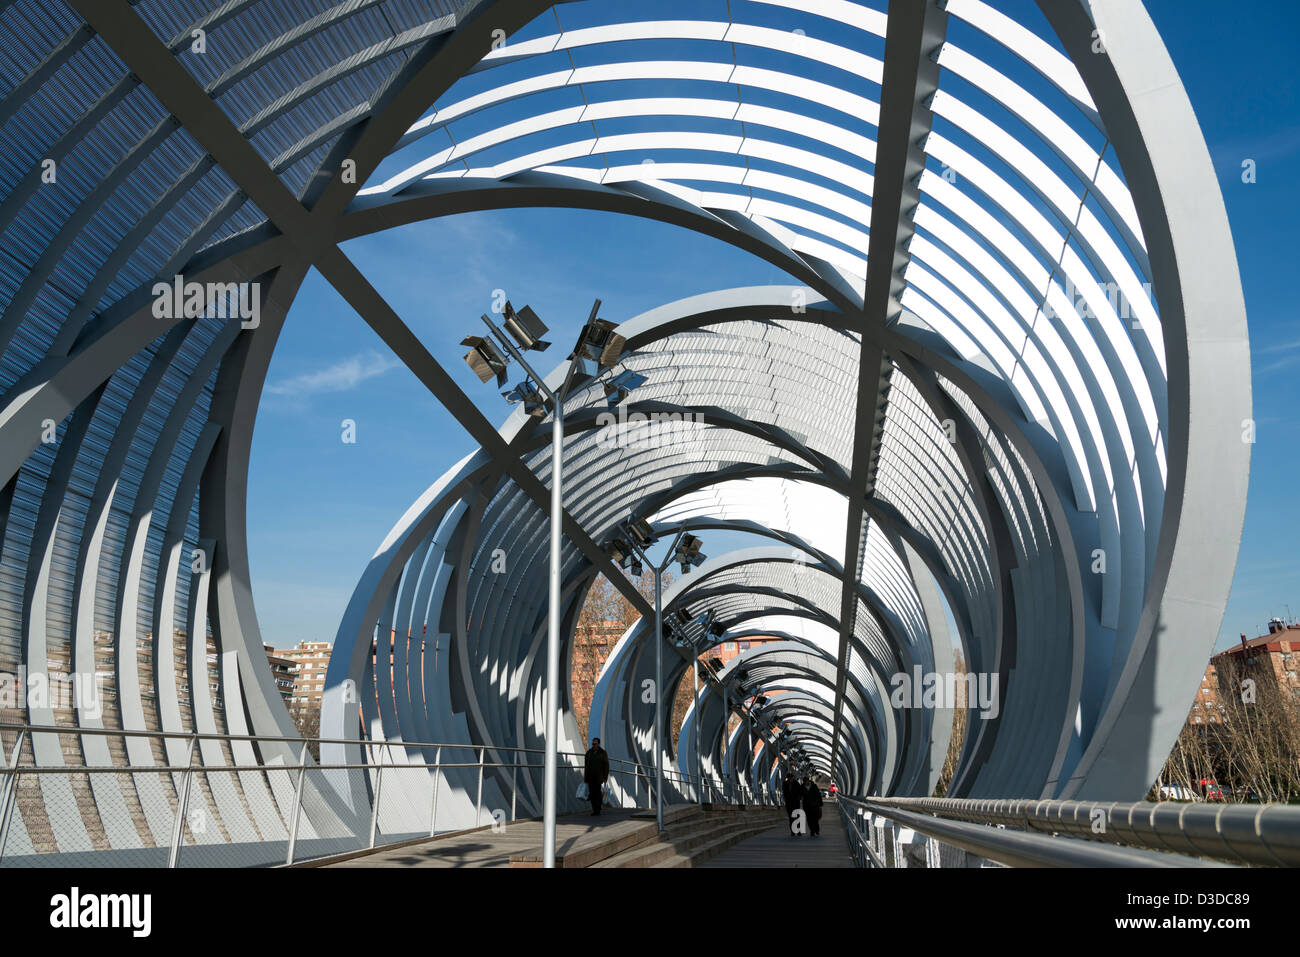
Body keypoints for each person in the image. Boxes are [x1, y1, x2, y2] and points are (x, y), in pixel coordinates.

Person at [584, 737, 610, 816]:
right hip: (590, 777)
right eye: (593, 744)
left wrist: (605, 777)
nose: (594, 745)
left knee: (597, 793)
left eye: (595, 744)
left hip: (599, 777)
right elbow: (586, 766)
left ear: (598, 744)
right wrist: (586, 777)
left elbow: (606, 765)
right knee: (591, 793)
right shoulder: (589, 753)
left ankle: (598, 808)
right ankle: (594, 809)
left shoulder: (602, 753)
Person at [782, 771, 804, 837]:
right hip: (789, 803)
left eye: (791, 778)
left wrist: (798, 798)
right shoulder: (785, 784)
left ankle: (799, 831)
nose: (790, 779)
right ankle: (793, 831)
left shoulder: (796, 783)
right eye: (789, 778)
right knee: (791, 818)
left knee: (797, 817)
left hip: (795, 803)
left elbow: (800, 791)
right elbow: (784, 792)